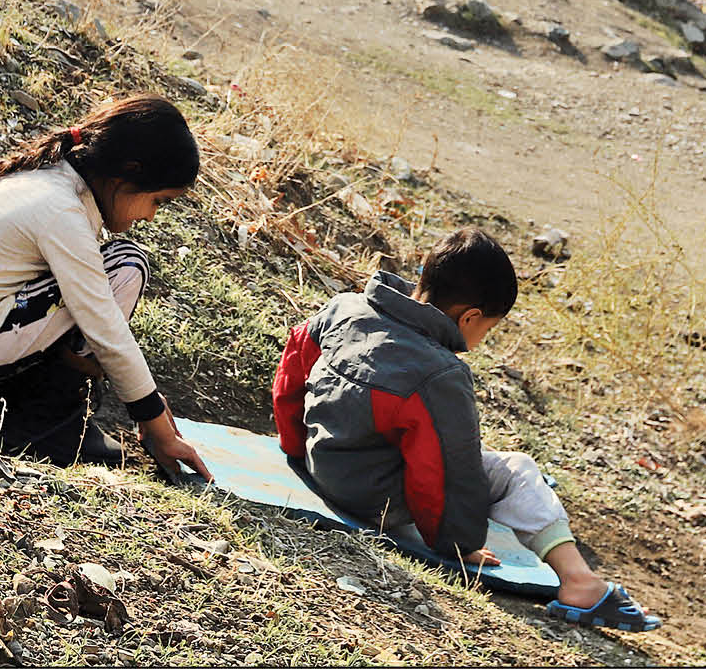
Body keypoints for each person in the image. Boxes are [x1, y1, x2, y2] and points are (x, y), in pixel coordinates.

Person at [272, 229, 662, 632]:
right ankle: (580, 582)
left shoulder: (344, 309)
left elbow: (290, 378)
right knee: (517, 470)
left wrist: (296, 450)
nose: (479, 339)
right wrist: (459, 545)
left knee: (469, 459)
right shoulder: (441, 374)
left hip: (320, 465)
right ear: (471, 316)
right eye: (487, 328)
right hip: (375, 503)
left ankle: (568, 565)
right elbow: (441, 473)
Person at [0, 94, 213, 480]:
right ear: (127, 174)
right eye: (158, 201)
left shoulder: (52, 182)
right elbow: (104, 326)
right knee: (126, 265)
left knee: (104, 277)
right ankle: (47, 420)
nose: (151, 215)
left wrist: (149, 400)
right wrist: (155, 423)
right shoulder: (61, 209)